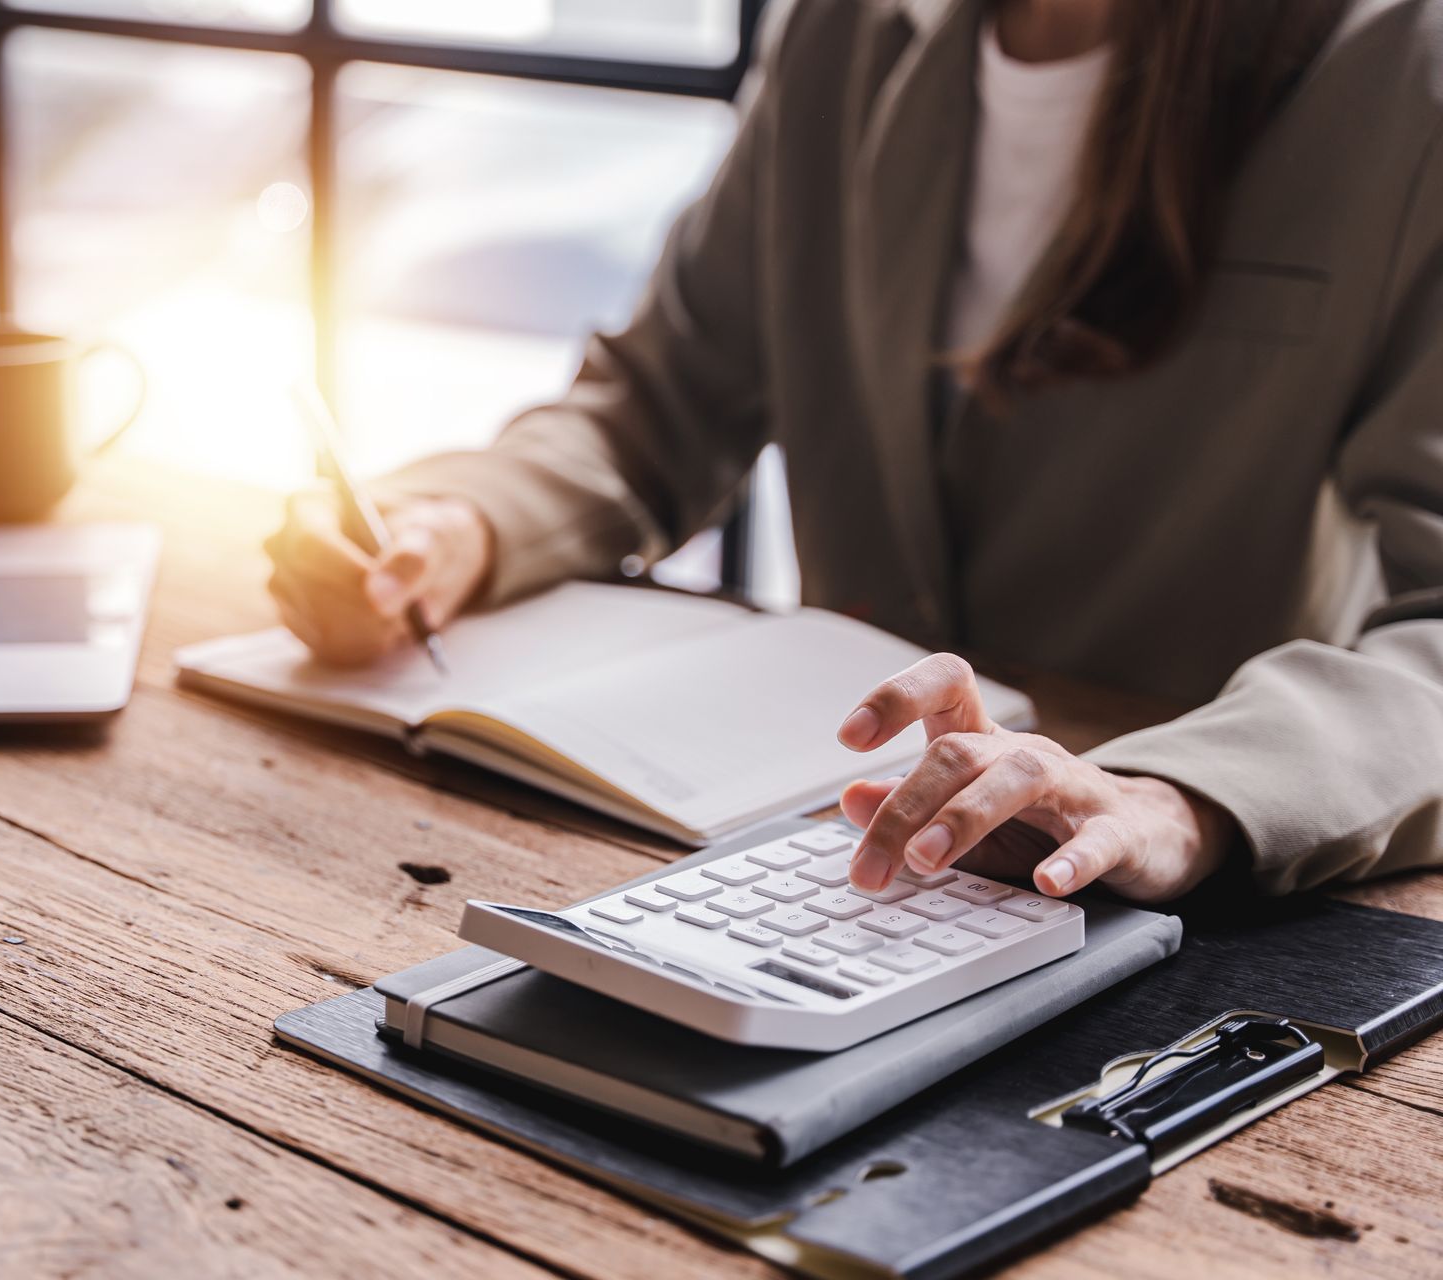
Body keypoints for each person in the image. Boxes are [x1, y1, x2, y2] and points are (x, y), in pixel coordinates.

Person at [266, 0, 1443, 903]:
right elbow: (659, 398)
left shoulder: (1399, 68)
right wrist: (456, 530)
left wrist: (1178, 795)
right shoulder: (845, 28)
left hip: (1156, 900)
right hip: (828, 851)